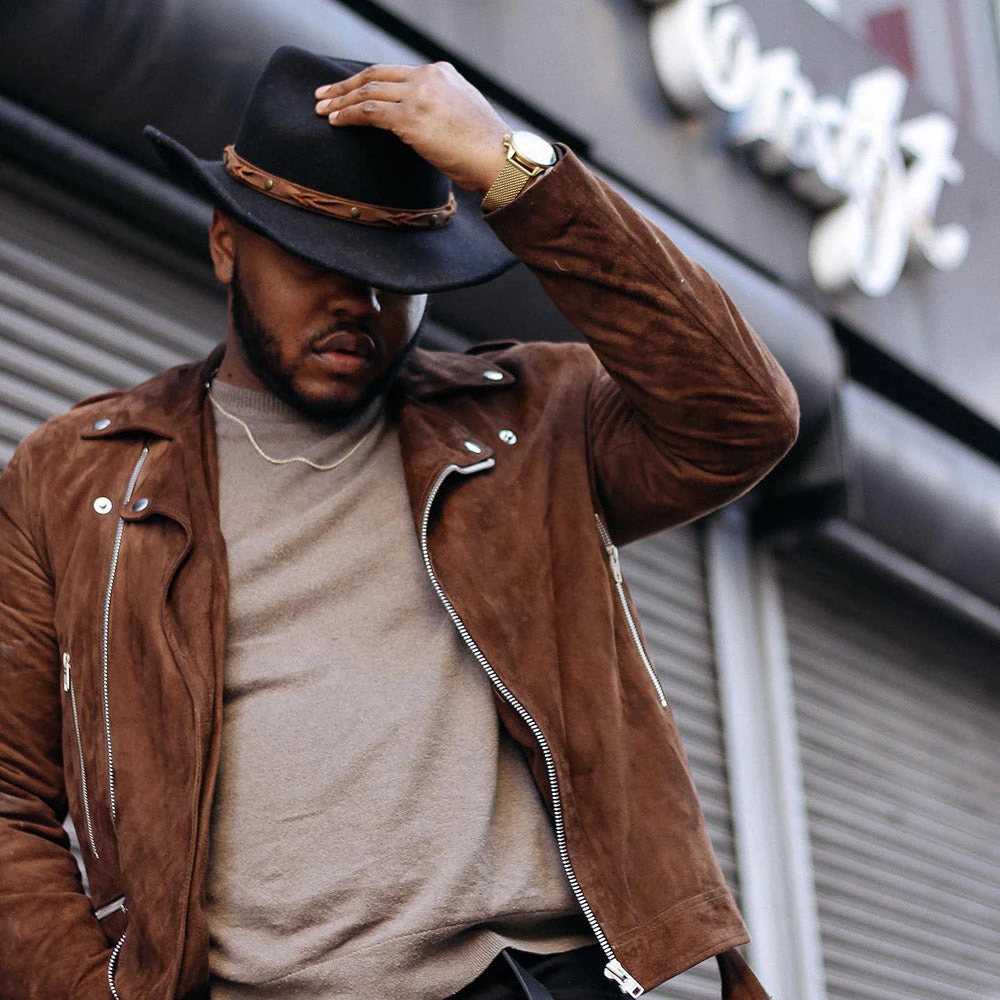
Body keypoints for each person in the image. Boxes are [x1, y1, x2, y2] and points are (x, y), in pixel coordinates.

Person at [0, 46, 798, 1000]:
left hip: (533, 980)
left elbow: (741, 414)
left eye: (395, 271)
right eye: (317, 260)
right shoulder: (78, 475)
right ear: (226, 243)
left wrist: (514, 168)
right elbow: (9, 796)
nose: (361, 302)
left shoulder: (529, 421)